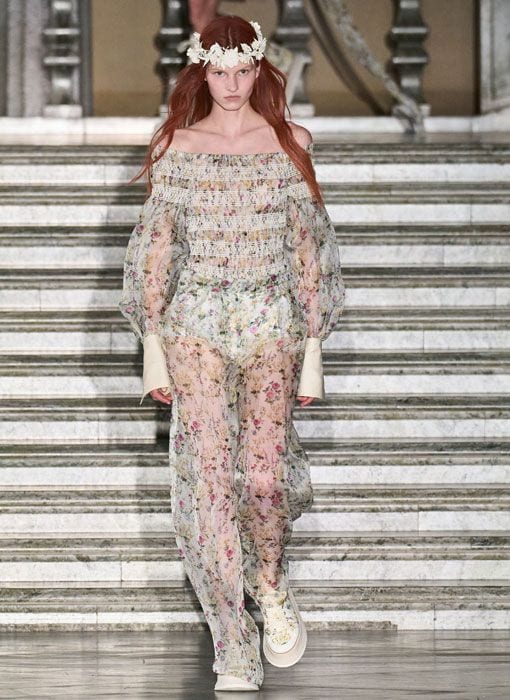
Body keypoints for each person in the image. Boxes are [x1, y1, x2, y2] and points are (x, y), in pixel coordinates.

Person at [119, 15, 345, 693]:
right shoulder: (176, 145)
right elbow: (156, 250)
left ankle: (268, 583)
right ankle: (232, 642)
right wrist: (152, 347)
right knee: (209, 484)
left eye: (243, 70)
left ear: (260, 69)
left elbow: (309, 248)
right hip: (196, 325)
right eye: (219, 72)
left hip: (272, 321)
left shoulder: (290, 142)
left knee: (264, 479)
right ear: (201, 72)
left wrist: (314, 348)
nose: (232, 84)